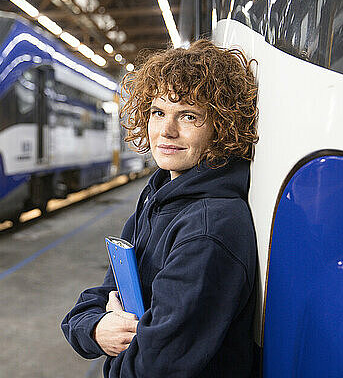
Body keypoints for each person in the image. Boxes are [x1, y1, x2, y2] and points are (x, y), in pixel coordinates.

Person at [61, 39, 259, 377]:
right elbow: (98, 298)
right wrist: (97, 329)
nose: (166, 131)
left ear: (222, 126)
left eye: (188, 115)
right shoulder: (158, 196)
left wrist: (115, 347)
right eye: (158, 112)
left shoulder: (210, 229)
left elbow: (153, 368)